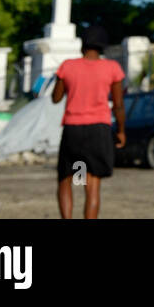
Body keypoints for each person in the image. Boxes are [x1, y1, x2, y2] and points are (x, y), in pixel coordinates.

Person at [51, 26, 125, 218]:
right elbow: (118, 105)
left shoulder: (68, 66)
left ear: (82, 44)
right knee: (91, 185)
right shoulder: (112, 68)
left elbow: (56, 98)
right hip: (99, 130)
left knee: (67, 179)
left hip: (73, 130)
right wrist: (121, 131)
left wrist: (61, 80)